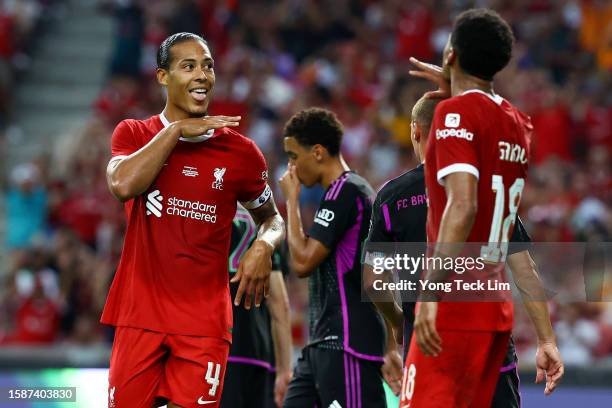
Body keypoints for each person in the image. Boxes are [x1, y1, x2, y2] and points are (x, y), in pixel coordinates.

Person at [101, 32, 284, 408]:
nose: (202, 75)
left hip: (204, 323)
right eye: (188, 66)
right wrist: (175, 132)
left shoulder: (241, 153)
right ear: (163, 77)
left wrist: (264, 245)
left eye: (208, 66)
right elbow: (122, 185)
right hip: (140, 315)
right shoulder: (134, 134)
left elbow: (273, 219)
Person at [400, 8, 565, 407]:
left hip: (454, 306)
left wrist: (429, 295)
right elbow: (487, 116)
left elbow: (464, 206)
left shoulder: (451, 114)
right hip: (494, 307)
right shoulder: (518, 122)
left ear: (452, 54)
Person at [364, 95, 563, 407]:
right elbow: (525, 270)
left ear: (416, 131)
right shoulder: (490, 188)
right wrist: (546, 339)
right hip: (487, 348)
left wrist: (397, 321)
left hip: (426, 349)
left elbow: (373, 282)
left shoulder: (392, 197)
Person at [278, 108, 391, 408]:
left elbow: (301, 263)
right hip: (323, 343)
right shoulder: (348, 192)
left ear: (317, 152)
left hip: (347, 344)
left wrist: (292, 199)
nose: (290, 166)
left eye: (293, 155)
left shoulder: (347, 191)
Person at [220, 206, 292, 408]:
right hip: (259, 354)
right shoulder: (269, 224)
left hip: (215, 349)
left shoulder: (206, 210)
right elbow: (280, 303)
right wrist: (285, 370)